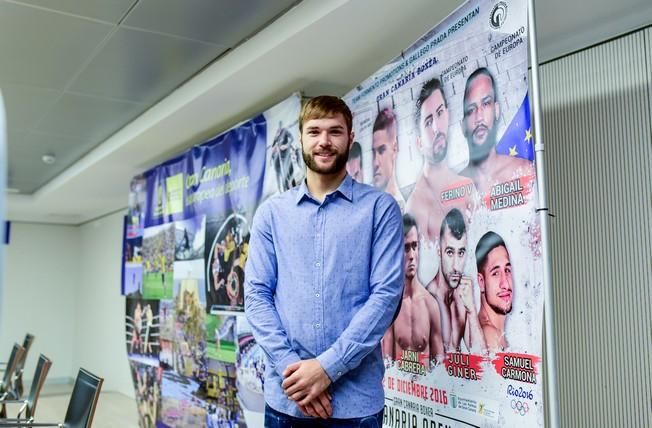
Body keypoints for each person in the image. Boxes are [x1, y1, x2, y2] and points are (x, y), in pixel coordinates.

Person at [245, 95, 403, 425]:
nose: (324, 142)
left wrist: (326, 369)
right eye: (314, 131)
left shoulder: (379, 209)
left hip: (354, 406)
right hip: (288, 401)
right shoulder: (272, 214)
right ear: (300, 138)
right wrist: (297, 375)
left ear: (350, 138)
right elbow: (257, 297)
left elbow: (386, 297)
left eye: (335, 131)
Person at [406, 78, 476, 244]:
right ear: (419, 142)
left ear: (448, 114)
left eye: (440, 113)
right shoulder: (415, 208)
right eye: (428, 122)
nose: (437, 128)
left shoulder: (467, 186)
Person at [460, 68, 534, 195]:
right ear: (463, 126)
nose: (479, 117)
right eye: (471, 110)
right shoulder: (452, 188)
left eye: (486, 103)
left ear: (497, 111)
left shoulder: (525, 171)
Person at [382, 213, 444, 365]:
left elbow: (440, 367)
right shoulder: (391, 305)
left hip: (426, 386)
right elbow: (387, 363)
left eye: (415, 246)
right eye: (406, 248)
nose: (412, 255)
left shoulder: (431, 305)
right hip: (398, 387)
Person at [426, 209, 484, 353]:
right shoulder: (428, 301)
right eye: (450, 252)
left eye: (461, 253)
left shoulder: (461, 298)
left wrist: (471, 310)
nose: (456, 266)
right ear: (439, 251)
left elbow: (482, 359)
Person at [475, 231, 513, 352]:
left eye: (507, 270)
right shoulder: (489, 335)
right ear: (481, 282)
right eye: (495, 273)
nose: (505, 284)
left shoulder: (496, 332)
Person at [371, 107, 405, 211]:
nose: (375, 163)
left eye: (381, 151)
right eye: (373, 152)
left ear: (394, 149)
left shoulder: (398, 208)